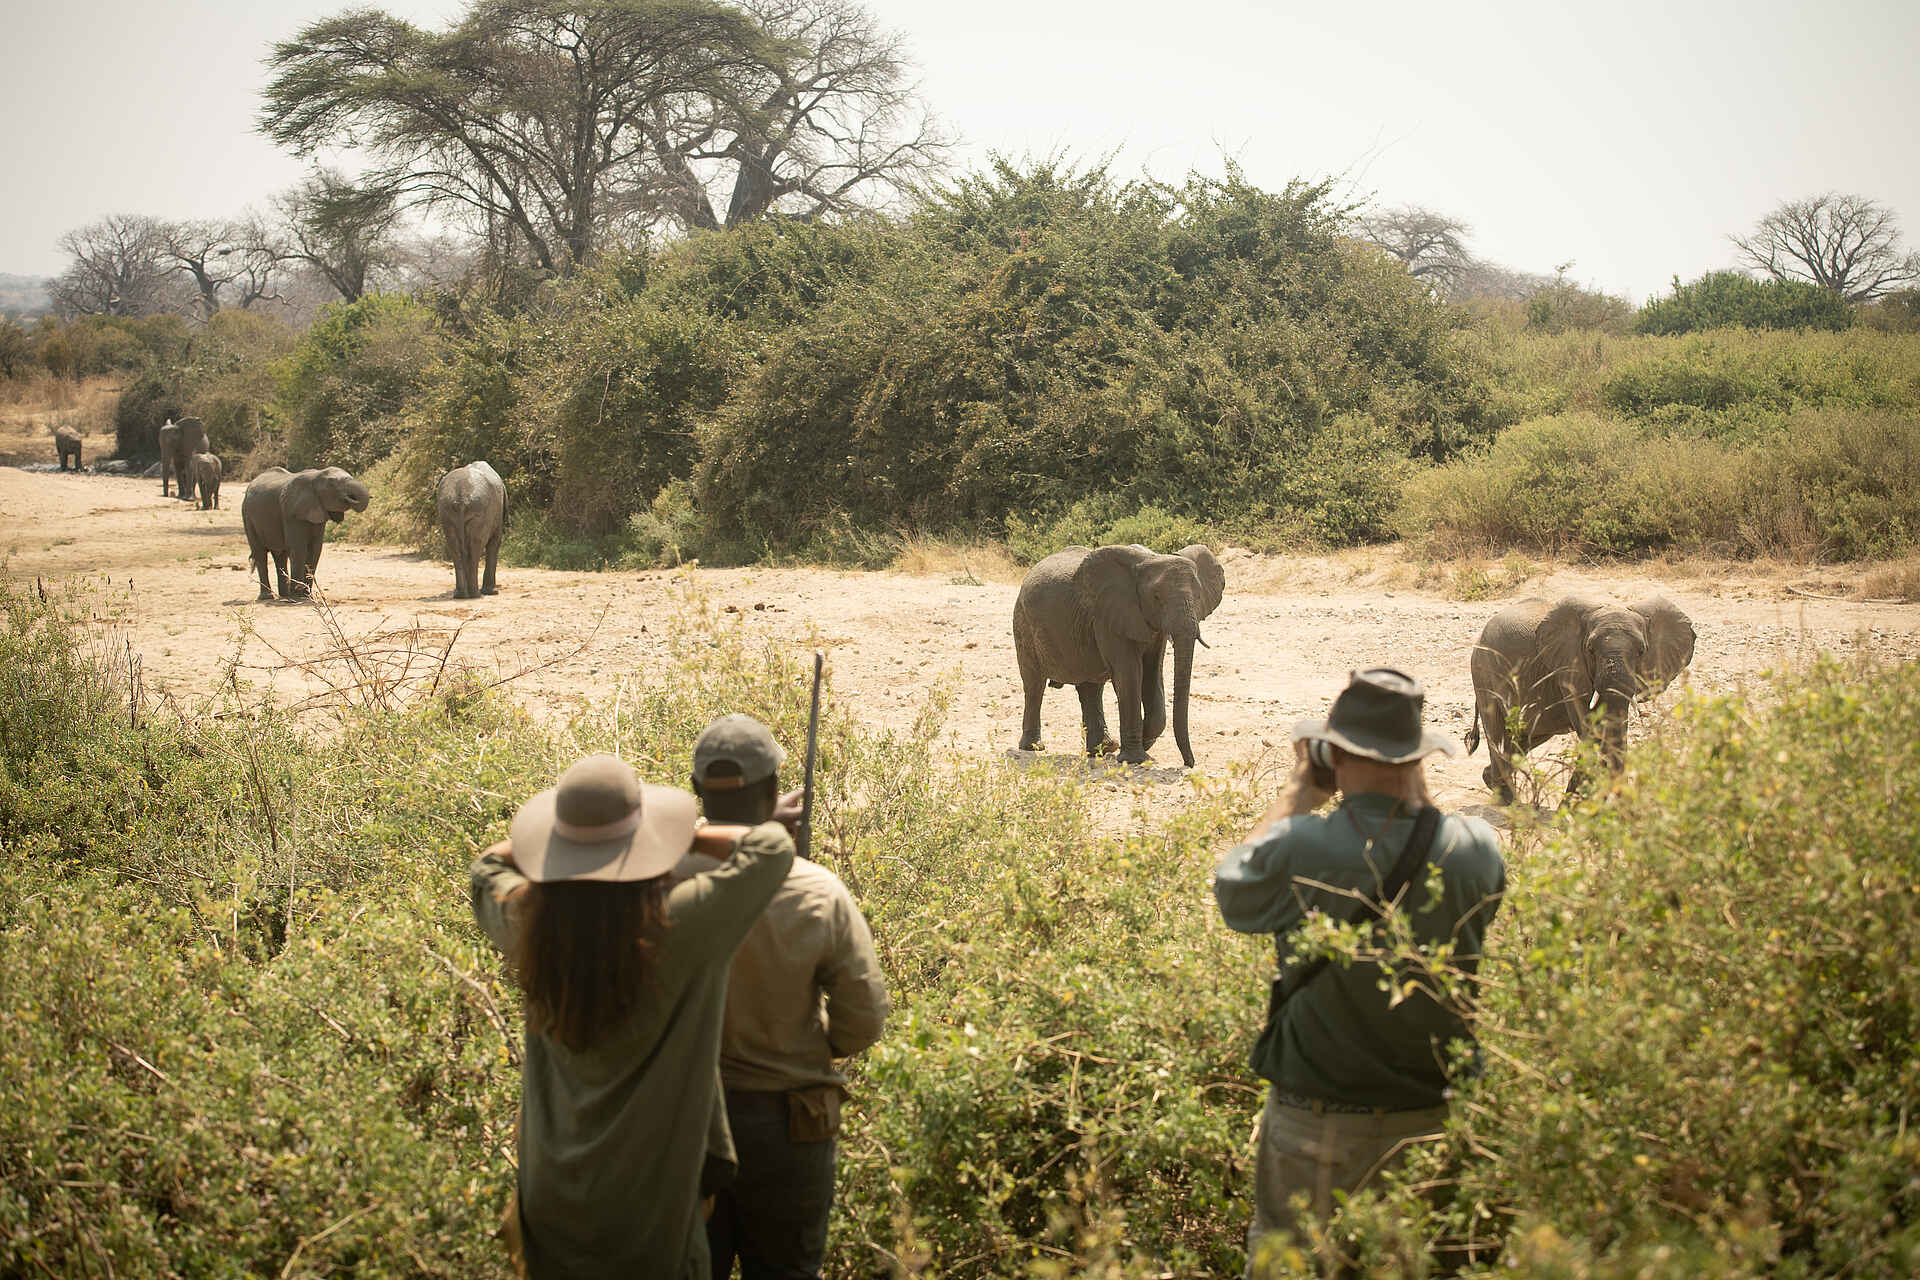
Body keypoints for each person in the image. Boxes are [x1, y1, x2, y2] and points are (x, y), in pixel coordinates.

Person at [1213, 669, 1506, 1274]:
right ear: (1417, 757)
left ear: (1335, 751)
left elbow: (1232, 891)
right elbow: (1442, 852)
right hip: (1433, 1121)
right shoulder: (1476, 848)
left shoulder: (1302, 847)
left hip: (1312, 1124)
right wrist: (1410, 793)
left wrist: (1301, 790)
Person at [470, 752, 796, 1279]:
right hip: (654, 1211)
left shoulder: (527, 924)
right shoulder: (682, 928)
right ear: (644, 848)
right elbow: (772, 847)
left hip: (552, 1202)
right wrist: (688, 836)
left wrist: (559, 845)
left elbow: (488, 866)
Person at [681, 714, 891, 1280]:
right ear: (774, 791)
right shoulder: (816, 890)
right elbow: (862, 1022)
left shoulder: (657, 878)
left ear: (697, 792)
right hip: (788, 1125)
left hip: (681, 1122)